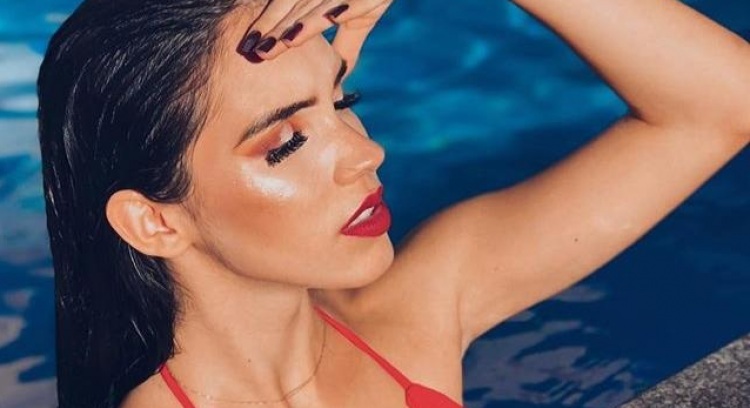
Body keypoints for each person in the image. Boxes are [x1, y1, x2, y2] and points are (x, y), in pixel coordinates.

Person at [37, 0, 749, 407]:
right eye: (285, 142)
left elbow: (722, 105)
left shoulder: (409, 316)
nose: (365, 152)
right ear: (154, 221)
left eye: (342, 100)